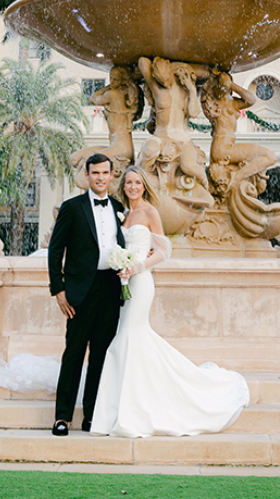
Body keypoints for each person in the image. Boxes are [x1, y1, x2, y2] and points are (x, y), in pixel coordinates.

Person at [91, 165, 250, 437]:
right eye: (128, 182)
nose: (132, 187)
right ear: (124, 185)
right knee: (128, 338)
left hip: (140, 282)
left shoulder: (150, 212)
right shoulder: (123, 213)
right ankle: (123, 410)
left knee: (131, 334)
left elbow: (164, 250)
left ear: (144, 186)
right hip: (122, 282)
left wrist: (138, 266)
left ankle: (137, 411)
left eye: (137, 183)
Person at [47, 153, 125, 436]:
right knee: (74, 353)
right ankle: (62, 417)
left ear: (111, 175)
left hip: (110, 289)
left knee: (100, 356)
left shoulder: (119, 208)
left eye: (105, 173)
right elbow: (55, 250)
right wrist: (58, 289)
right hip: (80, 291)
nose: (100, 178)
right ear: (87, 175)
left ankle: (92, 416)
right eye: (95, 173)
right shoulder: (72, 207)